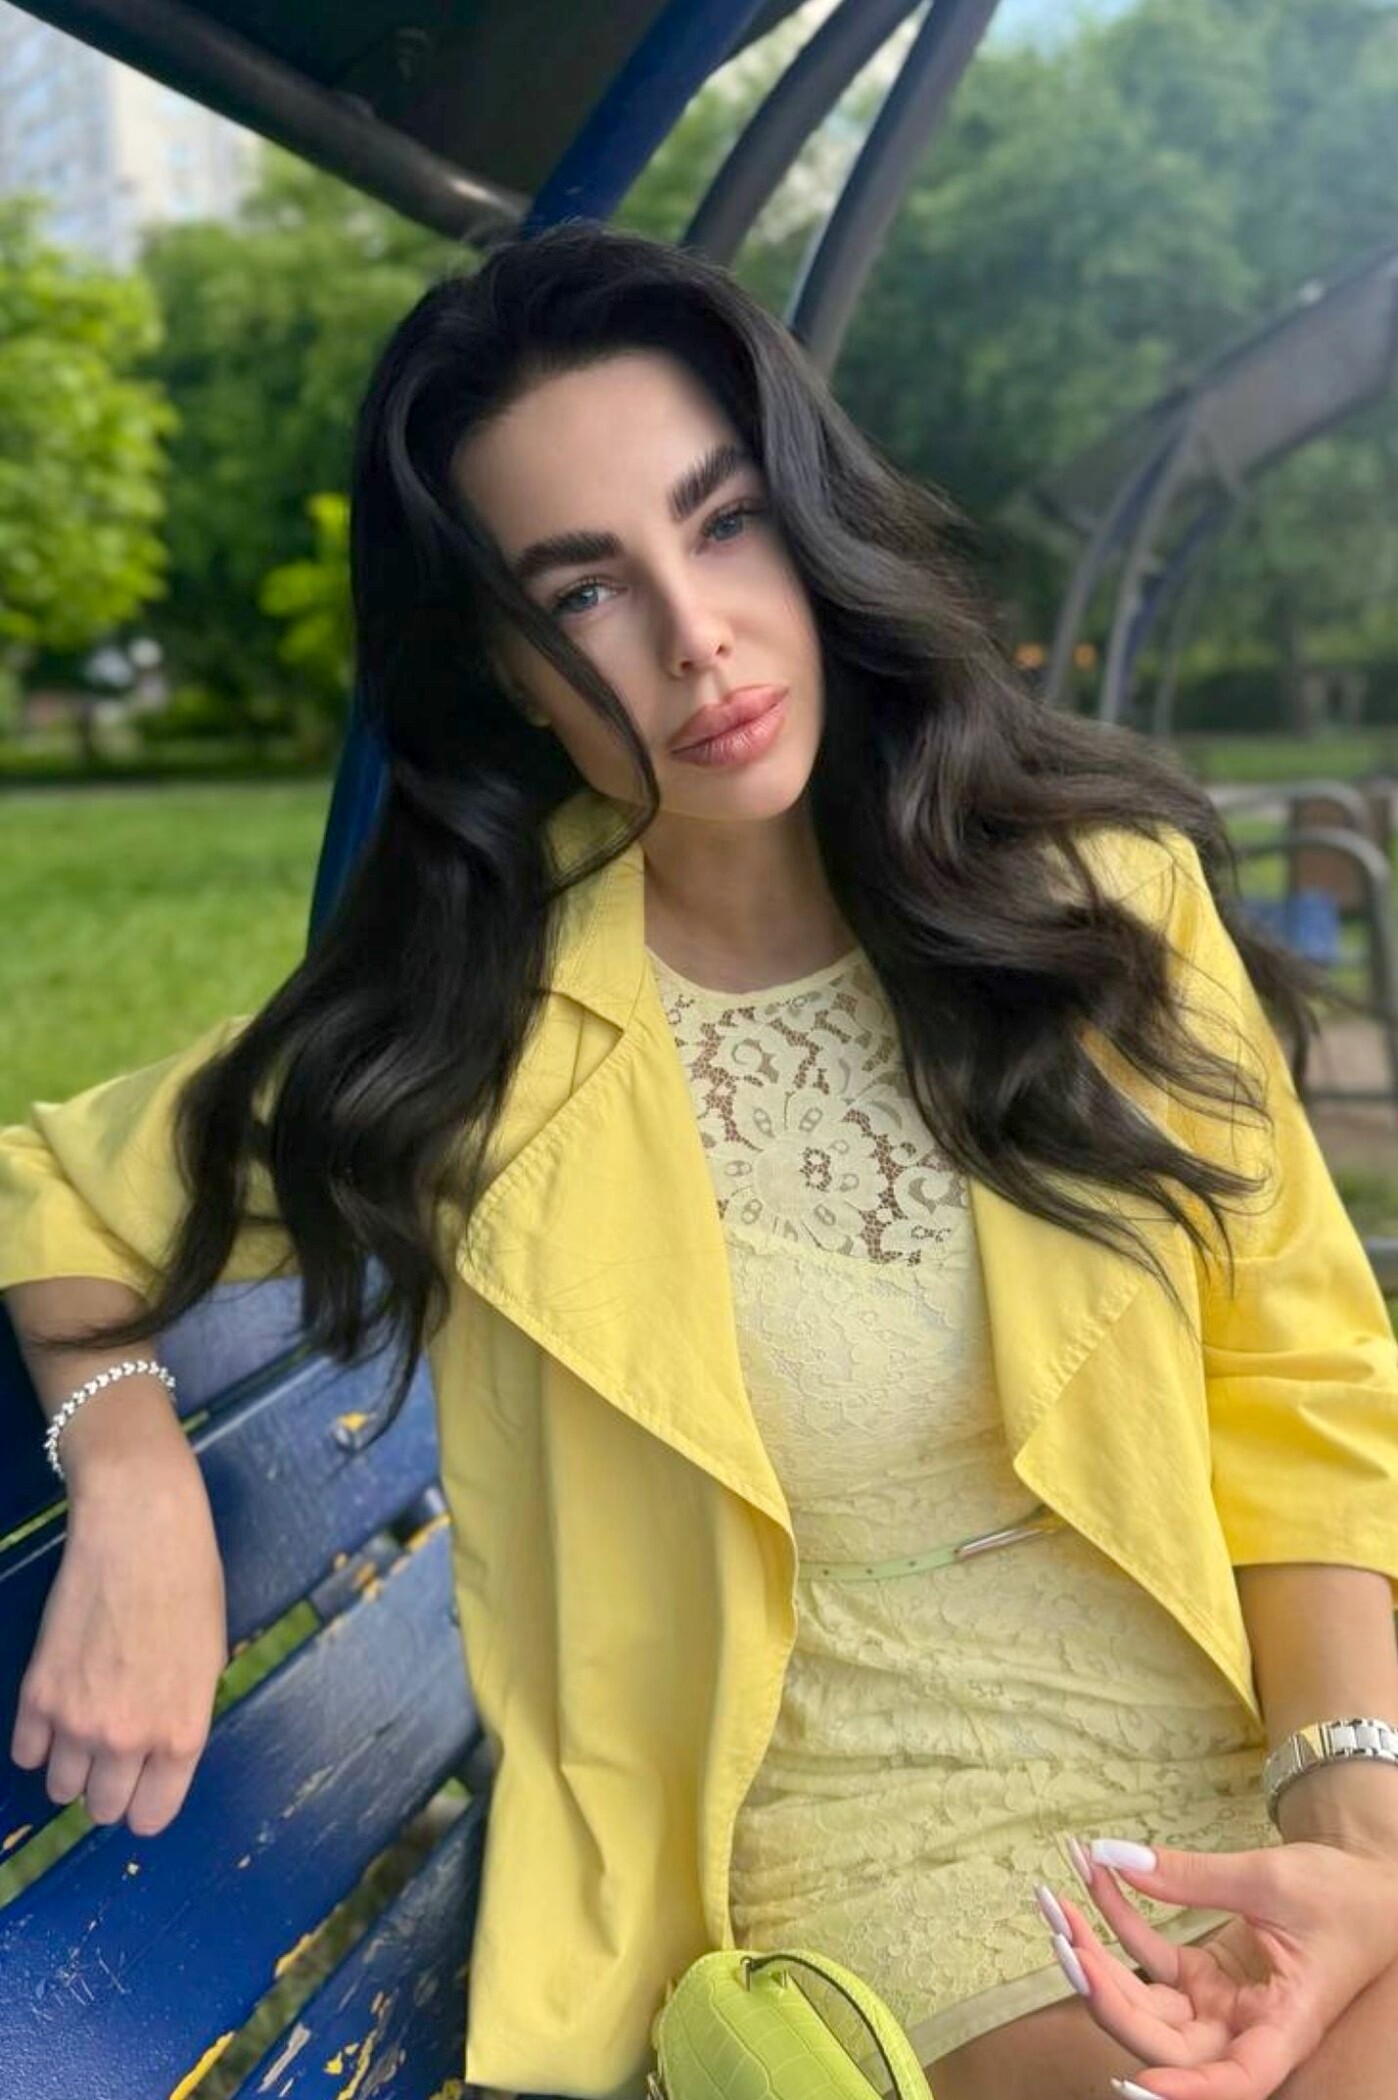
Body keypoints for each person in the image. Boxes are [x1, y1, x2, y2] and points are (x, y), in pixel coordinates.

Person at [4, 218, 1398, 2100]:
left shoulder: (1095, 903)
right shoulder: (477, 1027)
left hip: (1266, 1751)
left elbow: (1297, 1380)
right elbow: (52, 1183)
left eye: (721, 522)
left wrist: (1351, 1837)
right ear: (509, 666)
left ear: (807, 521)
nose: (693, 635)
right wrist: (133, 1472)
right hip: (887, 1877)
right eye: (586, 590)